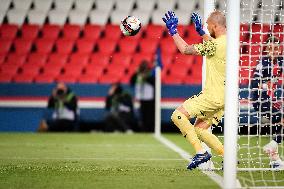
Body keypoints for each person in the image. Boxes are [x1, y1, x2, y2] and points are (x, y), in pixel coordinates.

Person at [162, 10, 226, 170]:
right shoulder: (228, 43)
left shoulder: (215, 44)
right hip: (225, 97)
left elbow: (185, 50)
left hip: (212, 96)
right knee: (198, 129)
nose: (208, 29)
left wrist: (174, 32)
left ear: (215, 26)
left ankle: (200, 152)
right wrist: (202, 33)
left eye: (209, 26)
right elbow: (215, 46)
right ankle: (228, 156)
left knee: (177, 115)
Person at [251, 36, 284, 169]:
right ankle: (272, 147)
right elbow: (254, 84)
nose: (273, 51)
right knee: (279, 121)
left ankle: (274, 161)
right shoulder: (262, 64)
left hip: (271, 99)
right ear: (266, 49)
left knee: (278, 125)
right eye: (270, 48)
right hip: (260, 99)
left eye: (276, 48)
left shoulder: (280, 61)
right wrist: (267, 85)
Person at [130, 60, 155, 132]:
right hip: (140, 98)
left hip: (149, 99)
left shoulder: (151, 75)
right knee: (141, 116)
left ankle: (149, 130)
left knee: (149, 116)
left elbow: (153, 82)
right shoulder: (138, 75)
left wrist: (145, 77)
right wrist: (136, 73)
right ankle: (143, 130)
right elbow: (131, 81)